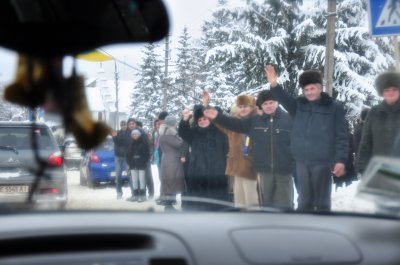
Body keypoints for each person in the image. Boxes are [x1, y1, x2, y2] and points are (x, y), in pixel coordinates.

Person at [266, 65, 348, 211]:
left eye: (312, 89)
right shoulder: (298, 105)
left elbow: (341, 136)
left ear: (320, 88)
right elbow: (283, 98)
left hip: (322, 163)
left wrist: (340, 160)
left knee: (322, 203)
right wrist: (273, 84)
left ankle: (322, 229)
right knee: (304, 202)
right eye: (306, 90)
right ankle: (304, 230)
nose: (309, 92)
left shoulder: (334, 107)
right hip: (301, 162)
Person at [204, 91, 294, 208]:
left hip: (268, 168)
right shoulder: (245, 122)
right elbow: (228, 123)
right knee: (250, 202)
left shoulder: (277, 119)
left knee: (274, 202)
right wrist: (212, 112)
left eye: (271, 102)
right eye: (240, 107)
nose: (269, 106)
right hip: (250, 168)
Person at [202, 92, 260, 207]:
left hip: (251, 168)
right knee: (239, 202)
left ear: (252, 107)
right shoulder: (234, 123)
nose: (243, 109)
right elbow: (219, 121)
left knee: (252, 202)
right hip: (236, 167)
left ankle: (255, 222)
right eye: (241, 106)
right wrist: (206, 105)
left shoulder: (257, 121)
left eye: (246, 106)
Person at [178, 105, 229, 210]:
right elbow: (182, 132)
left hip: (217, 172)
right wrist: (185, 118)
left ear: (209, 119)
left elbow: (227, 149)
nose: (202, 121)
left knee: (218, 200)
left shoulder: (220, 133)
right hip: (198, 171)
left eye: (204, 119)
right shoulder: (193, 133)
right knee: (199, 201)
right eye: (200, 120)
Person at [357, 72, 400, 173]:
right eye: (387, 90)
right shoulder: (374, 112)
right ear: (382, 92)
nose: (391, 93)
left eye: (394, 89)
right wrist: (362, 167)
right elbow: (366, 142)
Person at [159, 115, 185, 210]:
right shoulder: (169, 134)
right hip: (171, 161)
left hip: (169, 159)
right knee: (170, 182)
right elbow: (179, 144)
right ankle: (168, 205)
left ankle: (169, 204)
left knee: (171, 182)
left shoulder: (165, 133)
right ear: (173, 123)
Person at [125, 129, 150, 202]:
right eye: (133, 134)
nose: (134, 135)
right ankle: (135, 195)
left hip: (141, 164)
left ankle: (142, 196)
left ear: (139, 135)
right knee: (134, 180)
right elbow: (127, 154)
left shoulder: (144, 143)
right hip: (133, 164)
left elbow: (146, 154)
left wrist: (142, 161)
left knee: (142, 180)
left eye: (136, 134)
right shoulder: (130, 143)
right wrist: (130, 162)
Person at [111, 120, 128, 199]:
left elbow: (123, 142)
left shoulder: (129, 133)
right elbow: (117, 142)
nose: (123, 126)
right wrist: (114, 136)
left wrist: (116, 137)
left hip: (126, 156)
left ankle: (134, 193)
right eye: (122, 125)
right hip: (118, 156)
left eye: (124, 125)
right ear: (120, 126)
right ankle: (119, 193)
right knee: (118, 176)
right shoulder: (117, 133)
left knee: (130, 175)